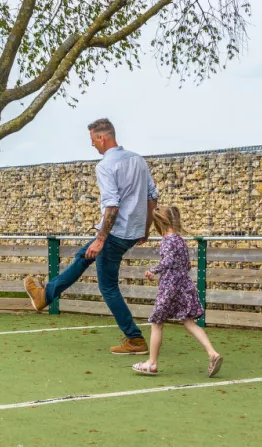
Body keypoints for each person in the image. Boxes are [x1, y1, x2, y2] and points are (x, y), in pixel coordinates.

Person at [24, 117, 156, 354]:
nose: (92, 145)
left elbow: (112, 206)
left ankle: (135, 339)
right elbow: (152, 197)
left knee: (108, 287)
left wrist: (101, 238)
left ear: (102, 137)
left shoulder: (105, 165)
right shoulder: (138, 160)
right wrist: (145, 229)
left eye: (93, 140)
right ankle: (45, 295)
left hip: (115, 232)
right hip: (130, 232)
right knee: (83, 256)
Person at [132, 206, 222, 377]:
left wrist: (153, 270)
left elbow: (168, 260)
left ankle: (151, 363)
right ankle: (212, 353)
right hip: (184, 284)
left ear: (160, 222)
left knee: (157, 323)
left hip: (169, 287)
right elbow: (186, 265)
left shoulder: (168, 240)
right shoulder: (180, 240)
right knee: (188, 321)